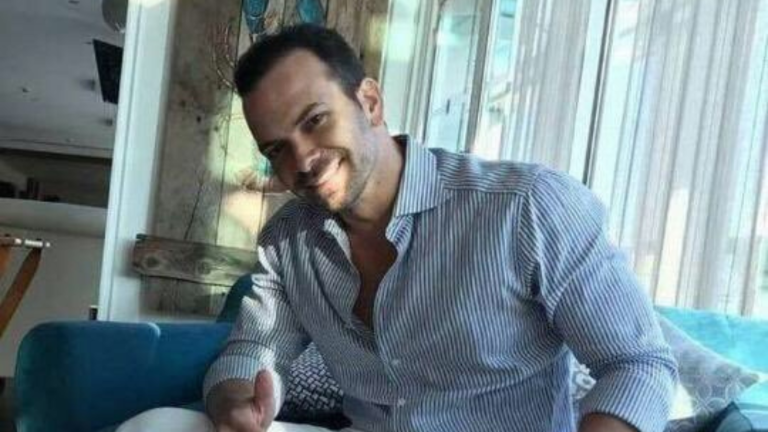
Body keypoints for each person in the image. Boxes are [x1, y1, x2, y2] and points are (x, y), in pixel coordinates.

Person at [122, 23, 677, 432]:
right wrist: (237, 406)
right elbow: (251, 350)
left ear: (369, 101)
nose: (303, 159)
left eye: (315, 121)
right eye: (277, 149)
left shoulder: (528, 207)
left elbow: (638, 364)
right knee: (156, 427)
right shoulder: (288, 242)